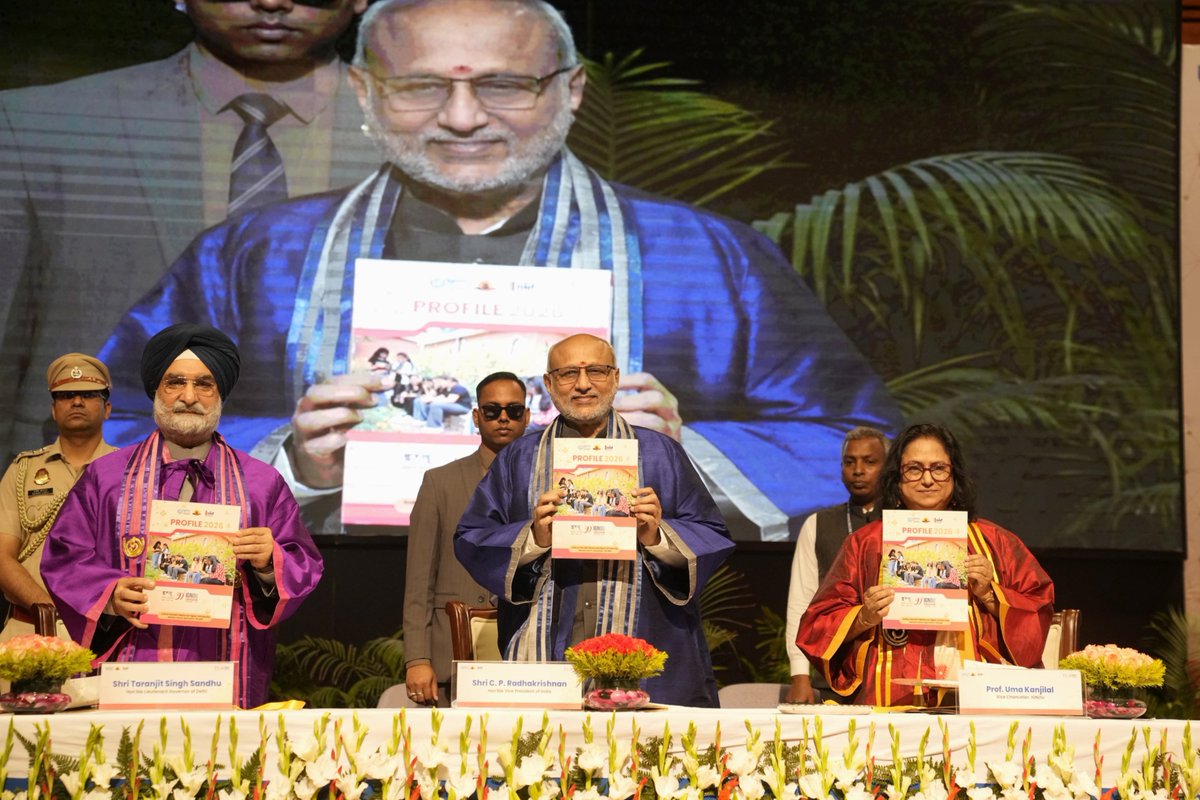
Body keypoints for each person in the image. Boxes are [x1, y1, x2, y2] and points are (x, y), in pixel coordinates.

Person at [96, 0, 902, 540]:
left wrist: (684, 455)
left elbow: (861, 446)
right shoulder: (259, 255)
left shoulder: (705, 258)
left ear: (572, 91)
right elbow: (107, 430)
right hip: (329, 601)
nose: (461, 118)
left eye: (505, 85)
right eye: (418, 87)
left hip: (608, 612)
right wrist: (286, 461)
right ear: (364, 94)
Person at [0, 0, 381, 456]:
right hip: (85, 478)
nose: (272, 1)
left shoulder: (436, 140)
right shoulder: (40, 126)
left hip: (348, 491)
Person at [41, 323, 324, 708]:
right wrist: (110, 594)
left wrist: (267, 562)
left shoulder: (262, 483)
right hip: (131, 664)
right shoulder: (106, 478)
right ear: (156, 391)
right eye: (175, 382)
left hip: (226, 666)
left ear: (220, 394)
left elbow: (302, 561)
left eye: (204, 384)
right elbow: (64, 555)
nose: (189, 396)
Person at [455, 334, 733, 707]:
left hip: (643, 641)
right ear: (550, 384)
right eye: (569, 373)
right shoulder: (518, 459)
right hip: (548, 652)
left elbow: (711, 534)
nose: (583, 384)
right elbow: (472, 537)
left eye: (596, 371)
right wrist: (534, 537)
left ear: (615, 379)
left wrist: (656, 536)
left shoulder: (660, 453)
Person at [796, 423, 1055, 708]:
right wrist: (864, 617)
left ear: (954, 475)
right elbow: (817, 625)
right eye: (914, 469)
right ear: (897, 478)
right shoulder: (865, 544)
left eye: (939, 468)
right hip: (890, 696)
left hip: (973, 696)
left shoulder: (995, 542)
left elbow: (1038, 610)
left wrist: (991, 596)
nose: (927, 480)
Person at [403, 370, 529, 706]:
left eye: (514, 410)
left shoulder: (549, 484)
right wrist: (417, 658)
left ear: (527, 416)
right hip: (451, 657)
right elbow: (418, 580)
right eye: (492, 410)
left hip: (530, 658)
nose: (503, 418)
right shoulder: (439, 483)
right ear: (476, 417)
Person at [0, 354, 118, 643]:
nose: (76, 402)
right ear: (53, 410)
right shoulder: (23, 470)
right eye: (65, 395)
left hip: (108, 637)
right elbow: (3, 556)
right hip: (30, 631)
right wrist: (48, 610)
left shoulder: (130, 472)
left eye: (88, 394)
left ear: (107, 409)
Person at [784, 426, 888, 704]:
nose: (858, 470)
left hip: (892, 669)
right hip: (833, 669)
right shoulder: (818, 524)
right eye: (849, 461)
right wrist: (800, 675)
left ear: (888, 468)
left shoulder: (905, 523)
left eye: (869, 461)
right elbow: (801, 602)